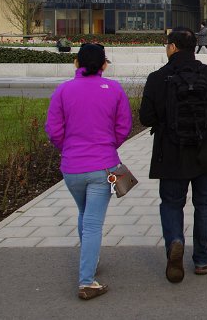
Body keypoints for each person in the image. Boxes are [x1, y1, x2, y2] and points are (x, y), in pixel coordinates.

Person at [139, 27, 207, 283]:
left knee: (172, 203)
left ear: (172, 47)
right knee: (205, 205)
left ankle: (175, 242)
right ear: (194, 47)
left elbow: (146, 118)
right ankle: (203, 259)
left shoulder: (157, 78)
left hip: (171, 153)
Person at [45, 43, 132, 300]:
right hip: (103, 165)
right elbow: (124, 126)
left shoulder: (63, 90)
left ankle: (90, 261)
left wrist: (68, 148)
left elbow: (53, 130)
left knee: (84, 213)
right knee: (93, 222)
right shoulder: (114, 89)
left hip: (72, 167)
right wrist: (109, 146)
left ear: (76, 63)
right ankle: (86, 281)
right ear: (104, 64)